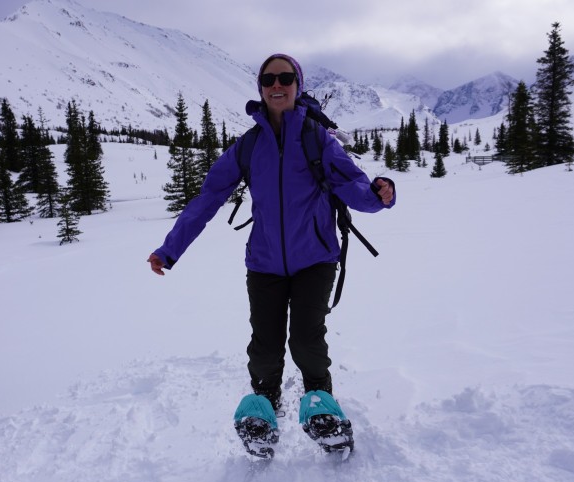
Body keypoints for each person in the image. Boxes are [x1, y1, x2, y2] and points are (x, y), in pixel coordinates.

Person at [148, 53, 395, 455]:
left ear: (297, 85)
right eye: (268, 79)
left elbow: (354, 186)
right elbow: (208, 198)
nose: (276, 85)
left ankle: (322, 407)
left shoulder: (318, 139)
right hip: (263, 262)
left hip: (316, 258)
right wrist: (169, 249)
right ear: (260, 87)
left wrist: (380, 193)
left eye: (284, 77)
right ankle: (264, 409)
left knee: (306, 339)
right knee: (264, 346)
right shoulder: (247, 147)